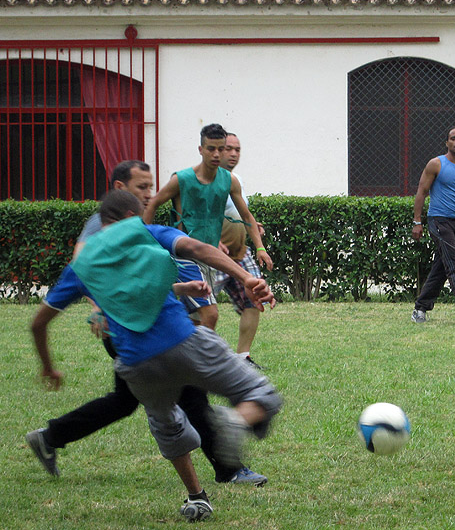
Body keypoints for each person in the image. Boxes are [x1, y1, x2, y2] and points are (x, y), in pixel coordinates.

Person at [31, 189, 283, 522]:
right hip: (184, 341)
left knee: (170, 429)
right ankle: (235, 421)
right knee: (261, 394)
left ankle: (197, 498)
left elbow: (41, 322)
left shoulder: (85, 264)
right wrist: (247, 276)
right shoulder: (144, 231)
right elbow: (195, 248)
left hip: (137, 364)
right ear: (130, 217)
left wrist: (49, 367)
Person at [142, 123, 273, 330]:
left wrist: (260, 248)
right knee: (210, 315)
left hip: (210, 257)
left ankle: (182, 356)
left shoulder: (230, 181)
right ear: (200, 149)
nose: (216, 154)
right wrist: (144, 244)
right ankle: (203, 360)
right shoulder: (181, 179)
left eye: (221, 148)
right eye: (211, 148)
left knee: (195, 318)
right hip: (184, 257)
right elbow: (154, 203)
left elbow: (246, 216)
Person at [411, 126, 455, 325]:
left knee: (443, 266)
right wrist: (417, 221)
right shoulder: (436, 164)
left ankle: (420, 308)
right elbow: (421, 192)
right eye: (453, 138)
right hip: (438, 220)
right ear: (447, 143)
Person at [212, 133, 267, 370]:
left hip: (240, 253)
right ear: (215, 151)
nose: (234, 154)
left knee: (254, 300)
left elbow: (244, 215)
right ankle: (196, 359)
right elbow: (197, 218)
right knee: (200, 311)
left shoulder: (237, 181)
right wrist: (212, 241)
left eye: (237, 149)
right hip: (211, 257)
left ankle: (242, 358)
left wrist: (259, 246)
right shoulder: (206, 182)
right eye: (228, 149)